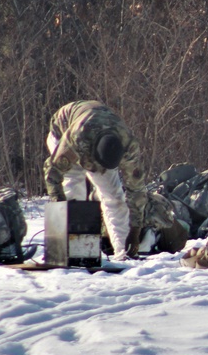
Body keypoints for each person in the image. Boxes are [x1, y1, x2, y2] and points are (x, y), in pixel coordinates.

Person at [43, 100, 147, 260]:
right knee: (73, 185)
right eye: (97, 167)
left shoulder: (129, 147)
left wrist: (135, 230)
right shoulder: (77, 139)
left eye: (105, 169)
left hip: (99, 133)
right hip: (63, 130)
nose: (99, 172)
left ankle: (123, 252)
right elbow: (53, 173)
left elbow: (137, 190)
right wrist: (59, 206)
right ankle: (70, 252)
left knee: (114, 196)